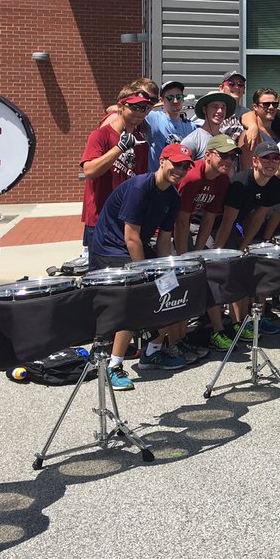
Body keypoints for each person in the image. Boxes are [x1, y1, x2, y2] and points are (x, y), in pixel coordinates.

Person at [88, 143, 194, 383]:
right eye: (176, 163)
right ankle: (113, 367)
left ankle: (152, 353)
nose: (180, 170)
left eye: (186, 166)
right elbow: (131, 237)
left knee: (171, 289)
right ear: (163, 161)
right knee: (135, 298)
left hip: (133, 246)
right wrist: (144, 274)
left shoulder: (172, 196)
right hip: (110, 249)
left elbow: (165, 240)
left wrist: (167, 269)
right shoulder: (139, 187)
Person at [79, 87, 153, 390]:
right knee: (103, 291)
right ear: (121, 107)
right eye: (134, 107)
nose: (138, 112)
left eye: (144, 108)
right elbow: (89, 171)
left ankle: (117, 350)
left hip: (127, 222)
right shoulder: (102, 135)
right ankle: (101, 348)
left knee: (127, 290)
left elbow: (140, 179)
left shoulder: (142, 139)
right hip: (100, 222)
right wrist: (117, 150)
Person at [212, 140, 280, 347]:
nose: (271, 163)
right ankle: (221, 325)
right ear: (255, 161)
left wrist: (244, 245)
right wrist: (219, 252)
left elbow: (258, 217)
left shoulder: (275, 184)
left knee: (243, 271)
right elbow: (226, 221)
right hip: (214, 224)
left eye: (275, 158)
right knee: (222, 271)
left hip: (236, 225)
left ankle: (240, 322)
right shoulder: (241, 183)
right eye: (266, 158)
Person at [172, 135, 241, 356]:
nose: (229, 161)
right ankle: (172, 338)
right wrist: (186, 257)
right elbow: (180, 221)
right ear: (209, 154)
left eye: (232, 156)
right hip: (169, 227)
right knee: (182, 278)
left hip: (194, 223)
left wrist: (200, 252)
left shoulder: (222, 180)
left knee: (208, 268)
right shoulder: (192, 177)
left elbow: (210, 218)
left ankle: (215, 327)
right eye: (223, 155)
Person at [146, 79, 195, 160]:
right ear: (162, 100)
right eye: (170, 98)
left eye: (179, 97)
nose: (175, 101)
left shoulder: (191, 127)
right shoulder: (152, 118)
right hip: (157, 171)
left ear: (183, 99)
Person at [182, 90, 238, 158]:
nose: (220, 111)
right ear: (204, 109)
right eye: (215, 107)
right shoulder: (192, 141)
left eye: (223, 107)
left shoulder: (227, 140)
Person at [238, 87, 279, 169]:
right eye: (266, 104)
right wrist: (253, 126)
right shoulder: (251, 134)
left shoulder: (278, 127)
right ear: (255, 107)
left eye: (274, 104)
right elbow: (247, 169)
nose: (271, 107)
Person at [218, 70, 248, 139]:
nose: (236, 87)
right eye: (231, 84)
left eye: (240, 84)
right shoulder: (213, 111)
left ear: (244, 90)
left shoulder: (247, 113)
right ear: (221, 88)